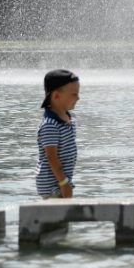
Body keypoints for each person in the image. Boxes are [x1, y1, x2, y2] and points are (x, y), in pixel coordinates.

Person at [36, 69, 80, 198]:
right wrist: (64, 183)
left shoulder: (69, 117)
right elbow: (52, 158)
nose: (78, 97)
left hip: (61, 183)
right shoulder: (50, 125)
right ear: (56, 96)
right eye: (74, 94)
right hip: (53, 186)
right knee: (58, 217)